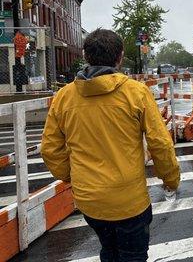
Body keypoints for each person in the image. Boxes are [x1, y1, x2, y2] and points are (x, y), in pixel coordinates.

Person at [42, 29, 180, 262]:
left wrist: (74, 176)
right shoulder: (135, 92)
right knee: (133, 255)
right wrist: (170, 179)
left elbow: (50, 148)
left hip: (90, 201)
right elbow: (160, 143)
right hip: (130, 201)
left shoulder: (64, 97)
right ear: (120, 56)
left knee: (108, 250)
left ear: (85, 56)